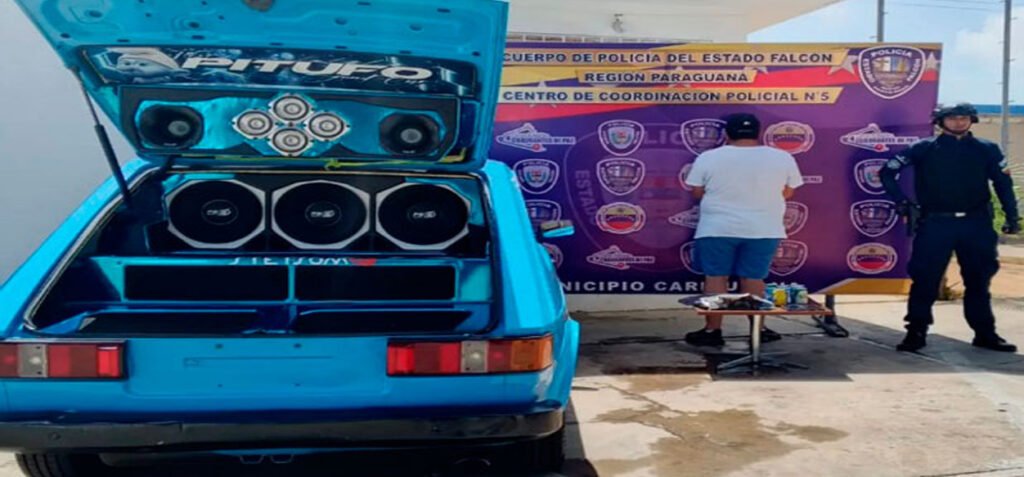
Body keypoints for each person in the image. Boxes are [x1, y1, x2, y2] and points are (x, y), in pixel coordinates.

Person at [880, 103, 1020, 353]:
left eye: (964, 118)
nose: (958, 122)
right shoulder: (923, 148)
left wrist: (1012, 216)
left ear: (972, 120)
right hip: (935, 224)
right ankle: (916, 332)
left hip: (976, 224)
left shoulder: (987, 149)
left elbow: (1003, 184)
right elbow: (887, 172)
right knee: (925, 279)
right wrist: (901, 202)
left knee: (978, 281)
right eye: (952, 118)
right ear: (940, 122)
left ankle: (985, 333)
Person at [683, 113, 804, 347]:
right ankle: (759, 329)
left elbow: (697, 191)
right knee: (754, 278)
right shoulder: (782, 157)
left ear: (726, 134)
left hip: (717, 227)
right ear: (759, 133)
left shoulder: (709, 157)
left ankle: (712, 331)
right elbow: (789, 191)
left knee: (716, 277)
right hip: (764, 228)